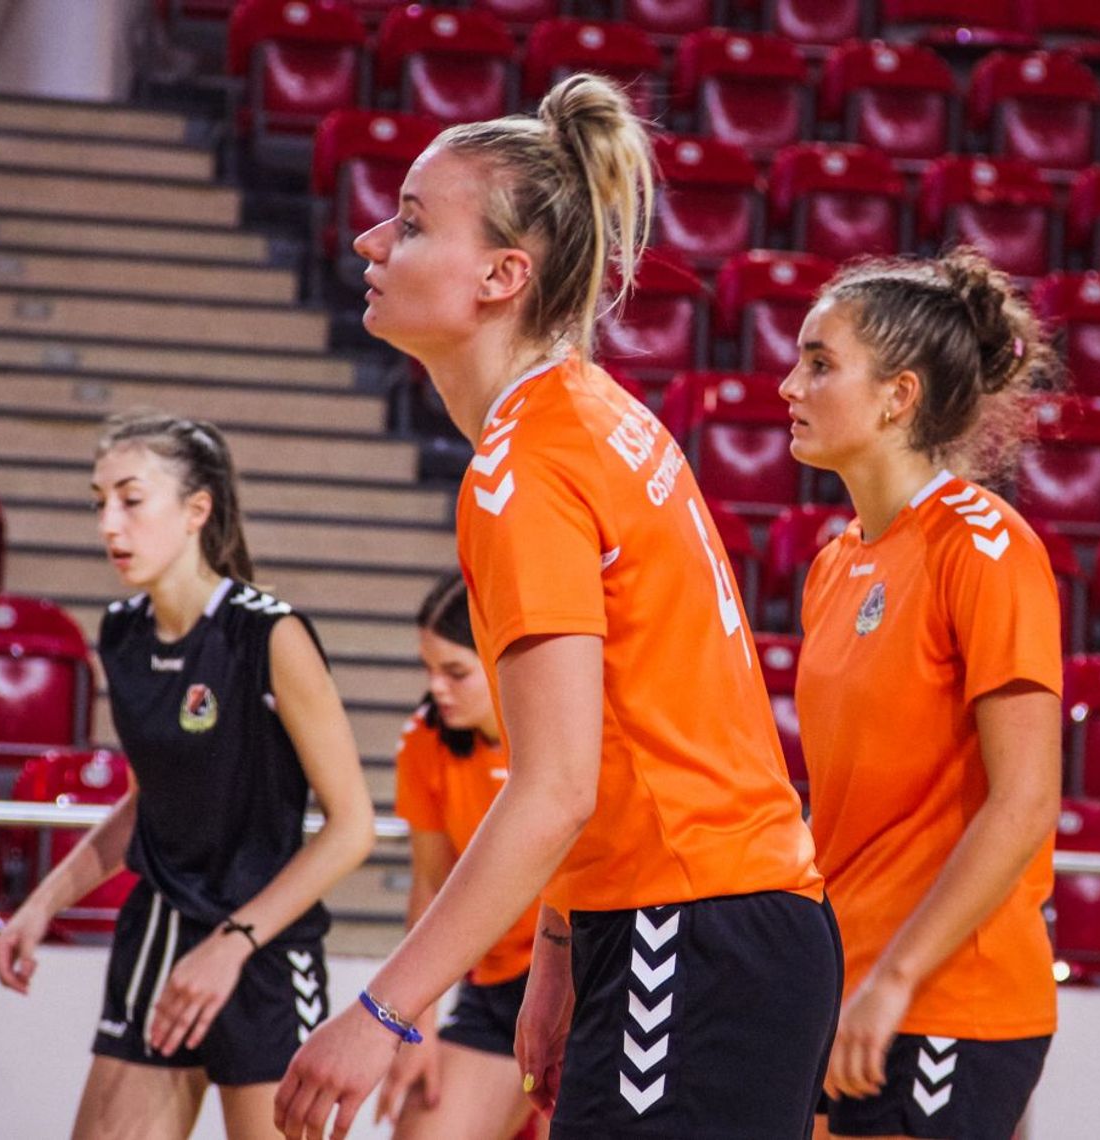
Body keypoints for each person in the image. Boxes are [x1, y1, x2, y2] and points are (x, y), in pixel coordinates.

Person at [274, 73, 840, 1140]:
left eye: (410, 223)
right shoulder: (589, 412)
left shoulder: (524, 465)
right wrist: (559, 945)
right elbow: (619, 736)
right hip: (721, 923)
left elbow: (555, 787)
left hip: (691, 926)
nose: (369, 241)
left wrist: (384, 1012)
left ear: (503, 276)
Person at [0, 411, 377, 1140]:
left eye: (131, 500)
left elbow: (352, 828)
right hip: (159, 938)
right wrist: (42, 904)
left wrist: (232, 942)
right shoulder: (122, 631)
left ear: (197, 509)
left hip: (263, 950)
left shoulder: (269, 633)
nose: (110, 524)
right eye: (99, 502)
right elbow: (146, 803)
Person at [781, 250, 1063, 1140]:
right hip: (852, 991)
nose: (790, 386)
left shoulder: (987, 549)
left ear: (898, 397)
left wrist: (897, 978)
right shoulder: (835, 563)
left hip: (944, 998)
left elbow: (1026, 801)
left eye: (820, 364)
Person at [373, 572, 548, 1139]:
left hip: (591, 983)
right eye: (428, 670)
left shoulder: (567, 734)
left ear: (502, 661)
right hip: (497, 986)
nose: (437, 689)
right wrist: (416, 1023)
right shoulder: (425, 739)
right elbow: (430, 886)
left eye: (455, 672)